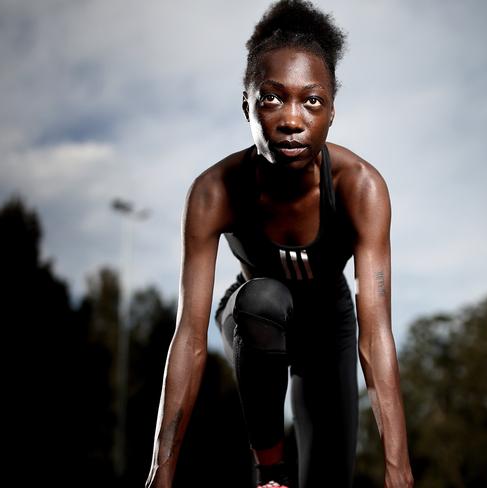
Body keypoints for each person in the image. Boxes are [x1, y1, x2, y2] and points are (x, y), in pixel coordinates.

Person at [145, 1, 413, 487]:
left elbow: (376, 336)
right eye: (272, 99)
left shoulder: (360, 187)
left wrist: (400, 469)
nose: (293, 119)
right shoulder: (213, 192)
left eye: (312, 100)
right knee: (263, 299)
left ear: (331, 112)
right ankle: (270, 468)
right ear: (247, 104)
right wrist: (160, 472)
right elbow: (189, 336)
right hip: (255, 322)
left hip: (329, 331)